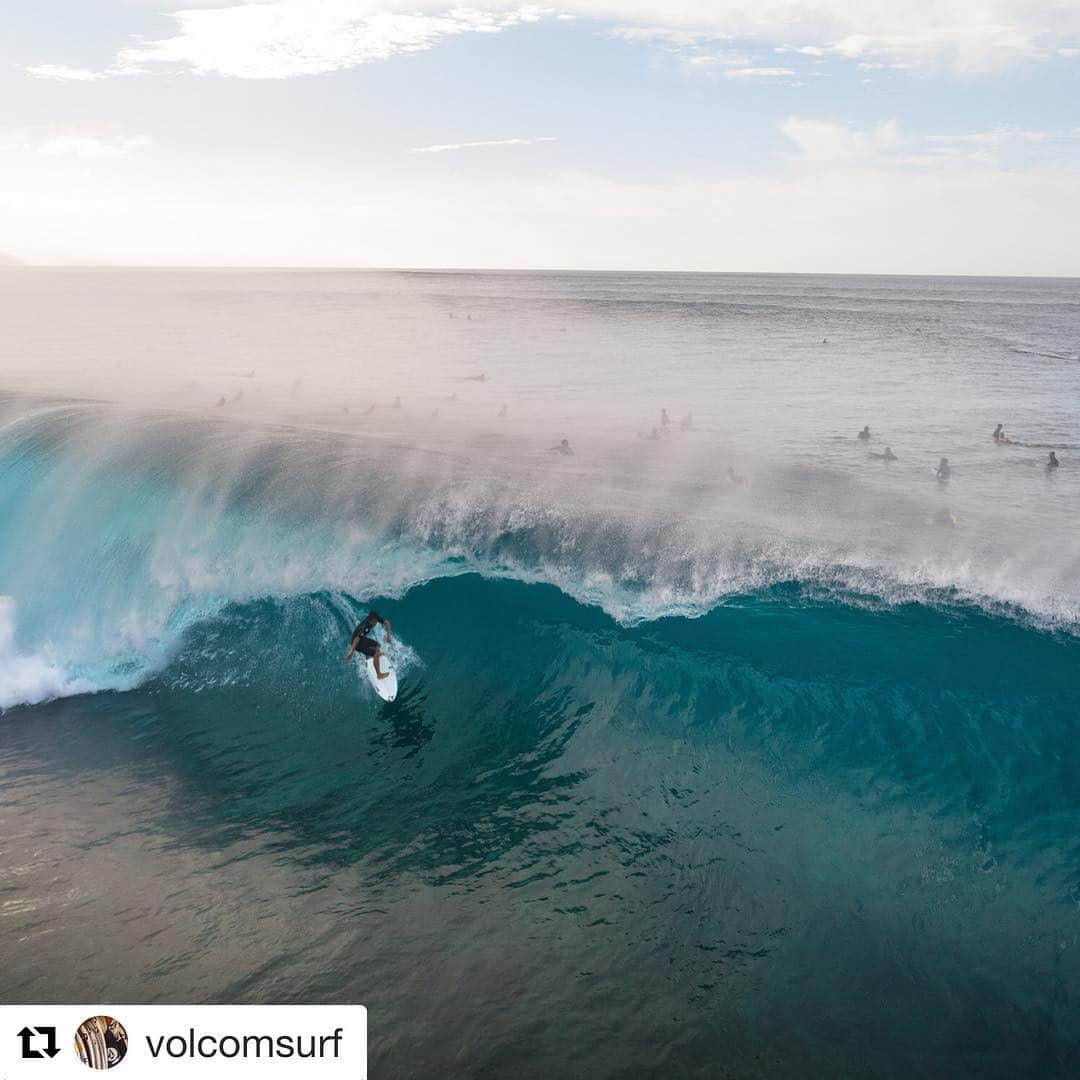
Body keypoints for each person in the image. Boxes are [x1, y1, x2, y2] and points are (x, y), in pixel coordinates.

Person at [345, 611, 393, 679]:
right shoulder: (365, 627)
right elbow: (357, 639)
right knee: (375, 653)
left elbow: (387, 622)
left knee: (377, 645)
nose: (377, 623)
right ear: (372, 620)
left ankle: (372, 656)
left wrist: (388, 636)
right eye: (376, 621)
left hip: (362, 639)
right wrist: (351, 651)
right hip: (356, 644)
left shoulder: (374, 618)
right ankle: (379, 675)